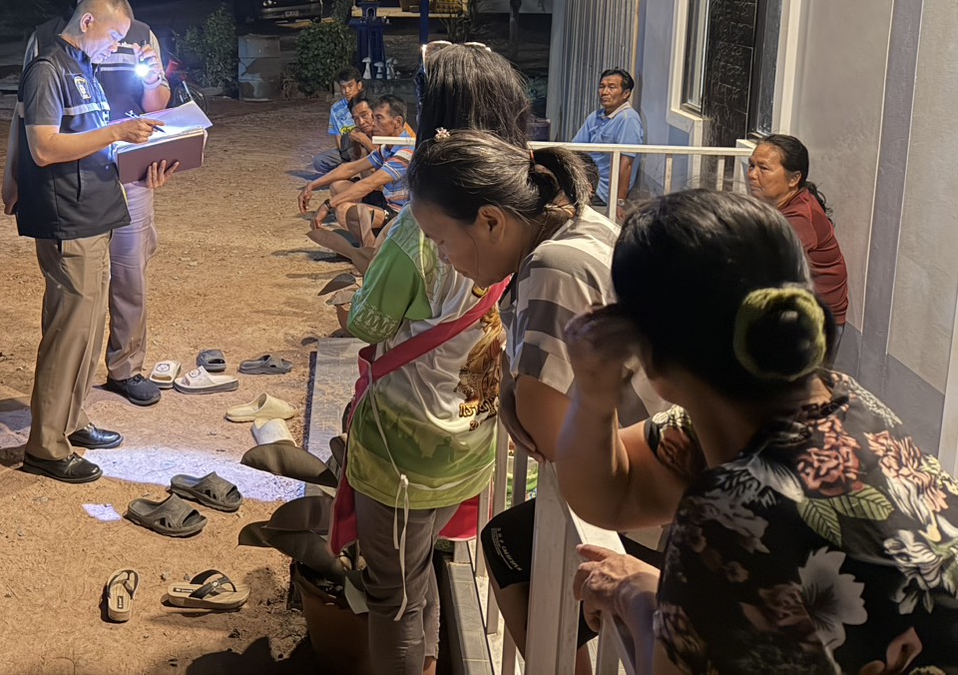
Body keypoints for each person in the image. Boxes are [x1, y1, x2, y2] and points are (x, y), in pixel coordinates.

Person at [559, 189, 958, 674]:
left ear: (649, 352)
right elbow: (609, 496)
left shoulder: (730, 510)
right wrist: (594, 397)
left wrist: (635, 591)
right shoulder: (843, 401)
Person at [407, 131, 666, 672]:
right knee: (508, 543)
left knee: (513, 553)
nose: (444, 258)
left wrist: (513, 394)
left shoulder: (552, 266)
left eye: (441, 240)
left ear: (490, 221)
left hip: (653, 502)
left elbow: (547, 437)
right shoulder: (579, 222)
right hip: (664, 470)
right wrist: (513, 385)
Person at [338, 42, 535, 675]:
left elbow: (366, 322)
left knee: (393, 593)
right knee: (422, 570)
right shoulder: (520, 214)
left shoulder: (419, 228)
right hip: (472, 436)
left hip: (404, 447)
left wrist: (366, 277)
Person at [2, 0, 176, 408]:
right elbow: (24, 115)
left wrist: (154, 75)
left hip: (129, 175)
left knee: (129, 274)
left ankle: (126, 366)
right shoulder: (47, 40)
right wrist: (12, 174)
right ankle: (69, 392)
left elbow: (157, 105)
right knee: (79, 287)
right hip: (69, 182)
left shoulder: (139, 34)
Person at [11, 0, 162, 484]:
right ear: (89, 21)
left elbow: (91, 144)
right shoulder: (47, 70)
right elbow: (44, 146)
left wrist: (145, 154)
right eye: (114, 36)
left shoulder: (83, 70)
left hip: (96, 215)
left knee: (90, 330)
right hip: (68, 220)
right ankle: (45, 446)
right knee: (69, 332)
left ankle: (71, 422)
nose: (116, 47)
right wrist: (117, 132)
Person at [746, 133, 850, 356]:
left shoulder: (800, 218)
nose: (752, 175)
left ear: (794, 179)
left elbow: (769, 269)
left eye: (763, 168)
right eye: (751, 165)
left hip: (814, 322)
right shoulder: (777, 204)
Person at [300, 94, 414, 248]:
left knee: (344, 210)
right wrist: (312, 185)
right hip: (387, 201)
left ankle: (372, 252)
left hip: (402, 214)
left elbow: (369, 183)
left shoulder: (406, 151)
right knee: (338, 186)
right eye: (373, 117)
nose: (373, 123)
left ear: (397, 122)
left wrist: (327, 205)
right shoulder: (388, 146)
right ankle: (370, 243)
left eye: (379, 118)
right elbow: (351, 168)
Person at [570, 68, 644, 207]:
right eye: (602, 86)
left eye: (612, 87)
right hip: (584, 179)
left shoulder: (628, 119)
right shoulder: (595, 116)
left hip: (602, 191)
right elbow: (574, 149)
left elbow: (627, 164)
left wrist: (619, 201)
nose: (604, 92)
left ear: (626, 94)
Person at [313, 66, 364, 174]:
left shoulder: (368, 103)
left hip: (366, 147)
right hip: (348, 150)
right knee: (319, 161)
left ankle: (349, 171)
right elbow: (338, 135)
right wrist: (344, 155)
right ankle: (349, 169)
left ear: (359, 85)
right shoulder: (336, 108)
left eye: (350, 86)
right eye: (343, 87)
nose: (347, 91)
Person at [343, 93, 376, 162]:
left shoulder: (386, 130)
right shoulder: (357, 134)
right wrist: (356, 143)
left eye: (364, 115)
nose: (361, 122)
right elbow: (355, 159)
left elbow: (387, 160)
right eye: (356, 118)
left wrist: (365, 141)